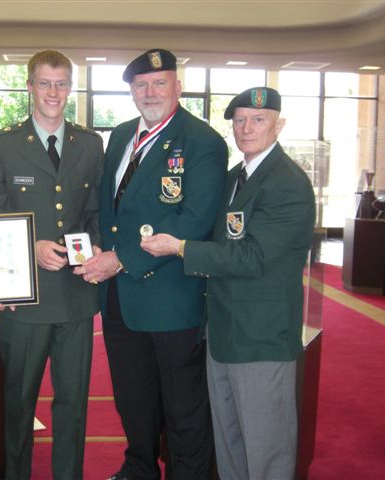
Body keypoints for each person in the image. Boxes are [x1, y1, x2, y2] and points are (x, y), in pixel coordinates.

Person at [141, 87, 316, 480]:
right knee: (231, 446)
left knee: (266, 450)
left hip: (260, 339)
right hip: (222, 335)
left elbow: (253, 257)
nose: (247, 128)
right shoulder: (235, 177)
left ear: (278, 125)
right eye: (239, 121)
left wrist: (181, 247)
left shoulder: (286, 183)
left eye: (258, 120)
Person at [77, 48, 228, 479]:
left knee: (182, 403)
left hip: (170, 297)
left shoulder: (202, 142)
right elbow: (112, 212)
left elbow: (193, 222)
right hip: (120, 297)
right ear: (131, 92)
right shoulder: (122, 134)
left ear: (177, 87)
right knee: (133, 396)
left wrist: (118, 261)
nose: (150, 91)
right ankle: (139, 468)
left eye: (159, 83)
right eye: (140, 85)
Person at [0, 50, 104, 479]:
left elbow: (94, 215)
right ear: (29, 86)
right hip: (25, 300)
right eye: (45, 83)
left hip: (76, 297)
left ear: (71, 87)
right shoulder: (4, 145)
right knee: (19, 403)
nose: (53, 92)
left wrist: (90, 253)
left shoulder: (90, 143)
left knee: (73, 406)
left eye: (62, 83)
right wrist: (30, 246)